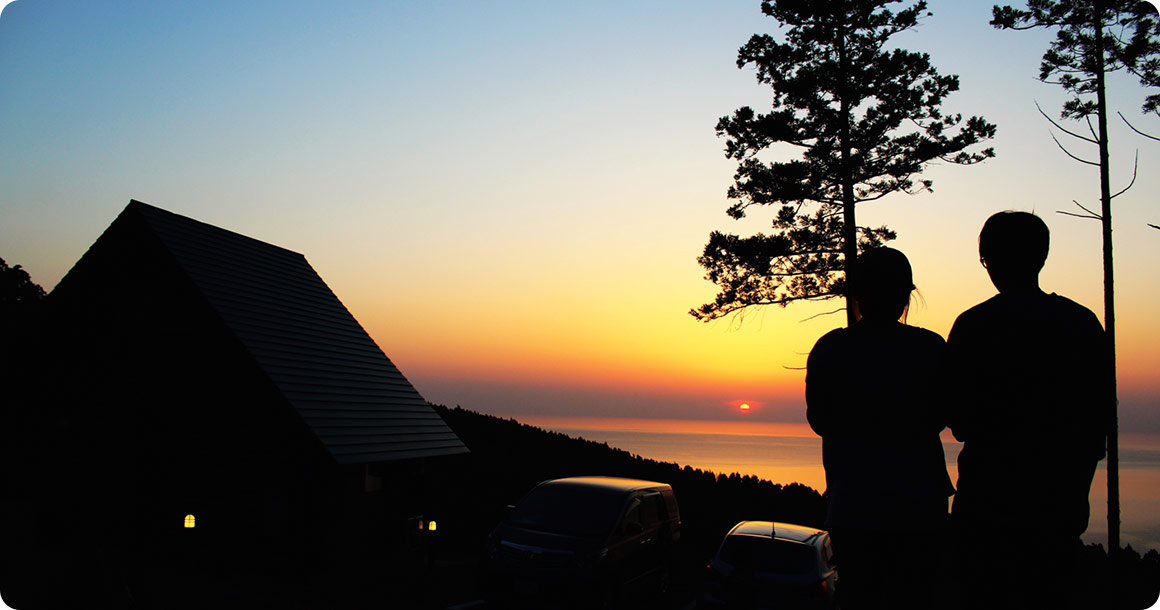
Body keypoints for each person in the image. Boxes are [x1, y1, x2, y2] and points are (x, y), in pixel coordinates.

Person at [945, 211, 1109, 610]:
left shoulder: (974, 326)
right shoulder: (1082, 325)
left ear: (989, 258)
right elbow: (1095, 431)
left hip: (986, 512)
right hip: (1057, 514)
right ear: (1042, 256)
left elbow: (960, 421)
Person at [806, 247, 954, 610]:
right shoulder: (930, 348)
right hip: (920, 505)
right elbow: (944, 415)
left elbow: (820, 420)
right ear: (906, 295)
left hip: (854, 504)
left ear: (857, 293)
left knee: (858, 593)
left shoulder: (831, 349)